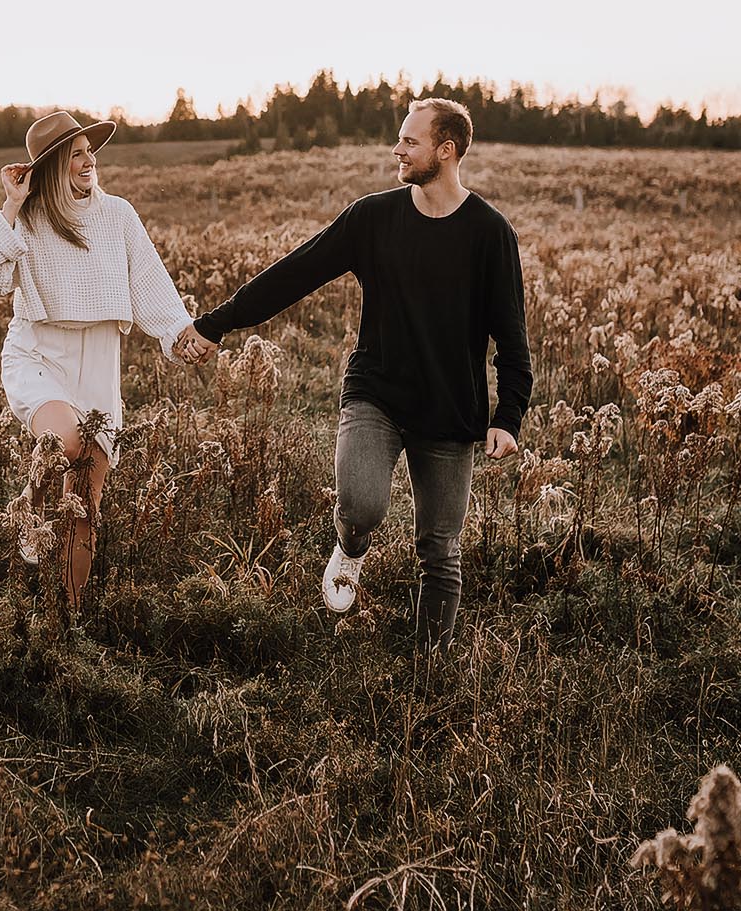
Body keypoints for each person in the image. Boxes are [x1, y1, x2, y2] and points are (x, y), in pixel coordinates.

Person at [187, 97, 531, 645]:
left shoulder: (490, 234)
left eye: (410, 141)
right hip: (378, 393)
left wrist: (508, 416)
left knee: (440, 549)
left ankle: (429, 670)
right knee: (362, 504)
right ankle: (349, 549)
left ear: (446, 151)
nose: (397, 148)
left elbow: (512, 336)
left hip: (450, 412)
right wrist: (216, 323)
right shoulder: (374, 217)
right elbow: (295, 272)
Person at [0, 110, 211, 609]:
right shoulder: (28, 221)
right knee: (64, 443)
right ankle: (30, 515)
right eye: (75, 154)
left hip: (99, 367)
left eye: (89, 152)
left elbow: (148, 283)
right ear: (53, 166)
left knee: (87, 502)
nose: (88, 161)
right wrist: (11, 206)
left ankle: (68, 618)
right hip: (38, 356)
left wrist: (179, 333)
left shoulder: (117, 215)